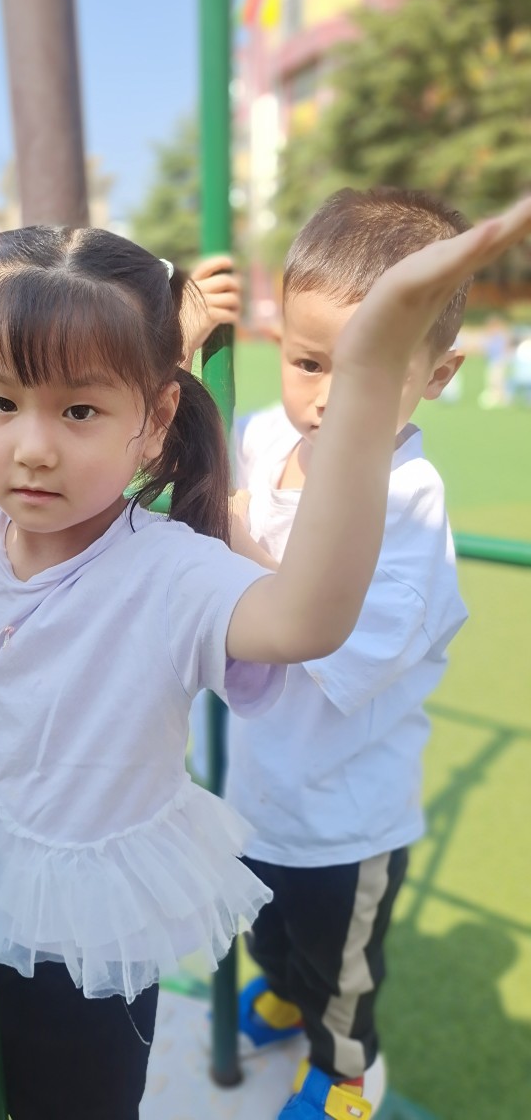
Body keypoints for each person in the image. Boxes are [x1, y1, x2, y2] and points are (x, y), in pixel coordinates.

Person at [0, 201, 531, 1120]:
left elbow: (309, 619)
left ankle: (344, 1066)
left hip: (90, 935)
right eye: (1, 401)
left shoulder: (171, 569)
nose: (33, 446)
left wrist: (373, 371)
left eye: (79, 410)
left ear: (152, 422)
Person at [223, 188, 476, 1120]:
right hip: (259, 784)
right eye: (308, 361)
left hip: (345, 813)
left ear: (437, 373)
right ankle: (284, 996)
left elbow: (329, 634)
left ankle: (344, 1073)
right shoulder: (264, 437)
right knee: (267, 928)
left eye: (369, 372)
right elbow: (185, 455)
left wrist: (238, 546)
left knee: (341, 966)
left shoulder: (409, 502)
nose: (329, 396)